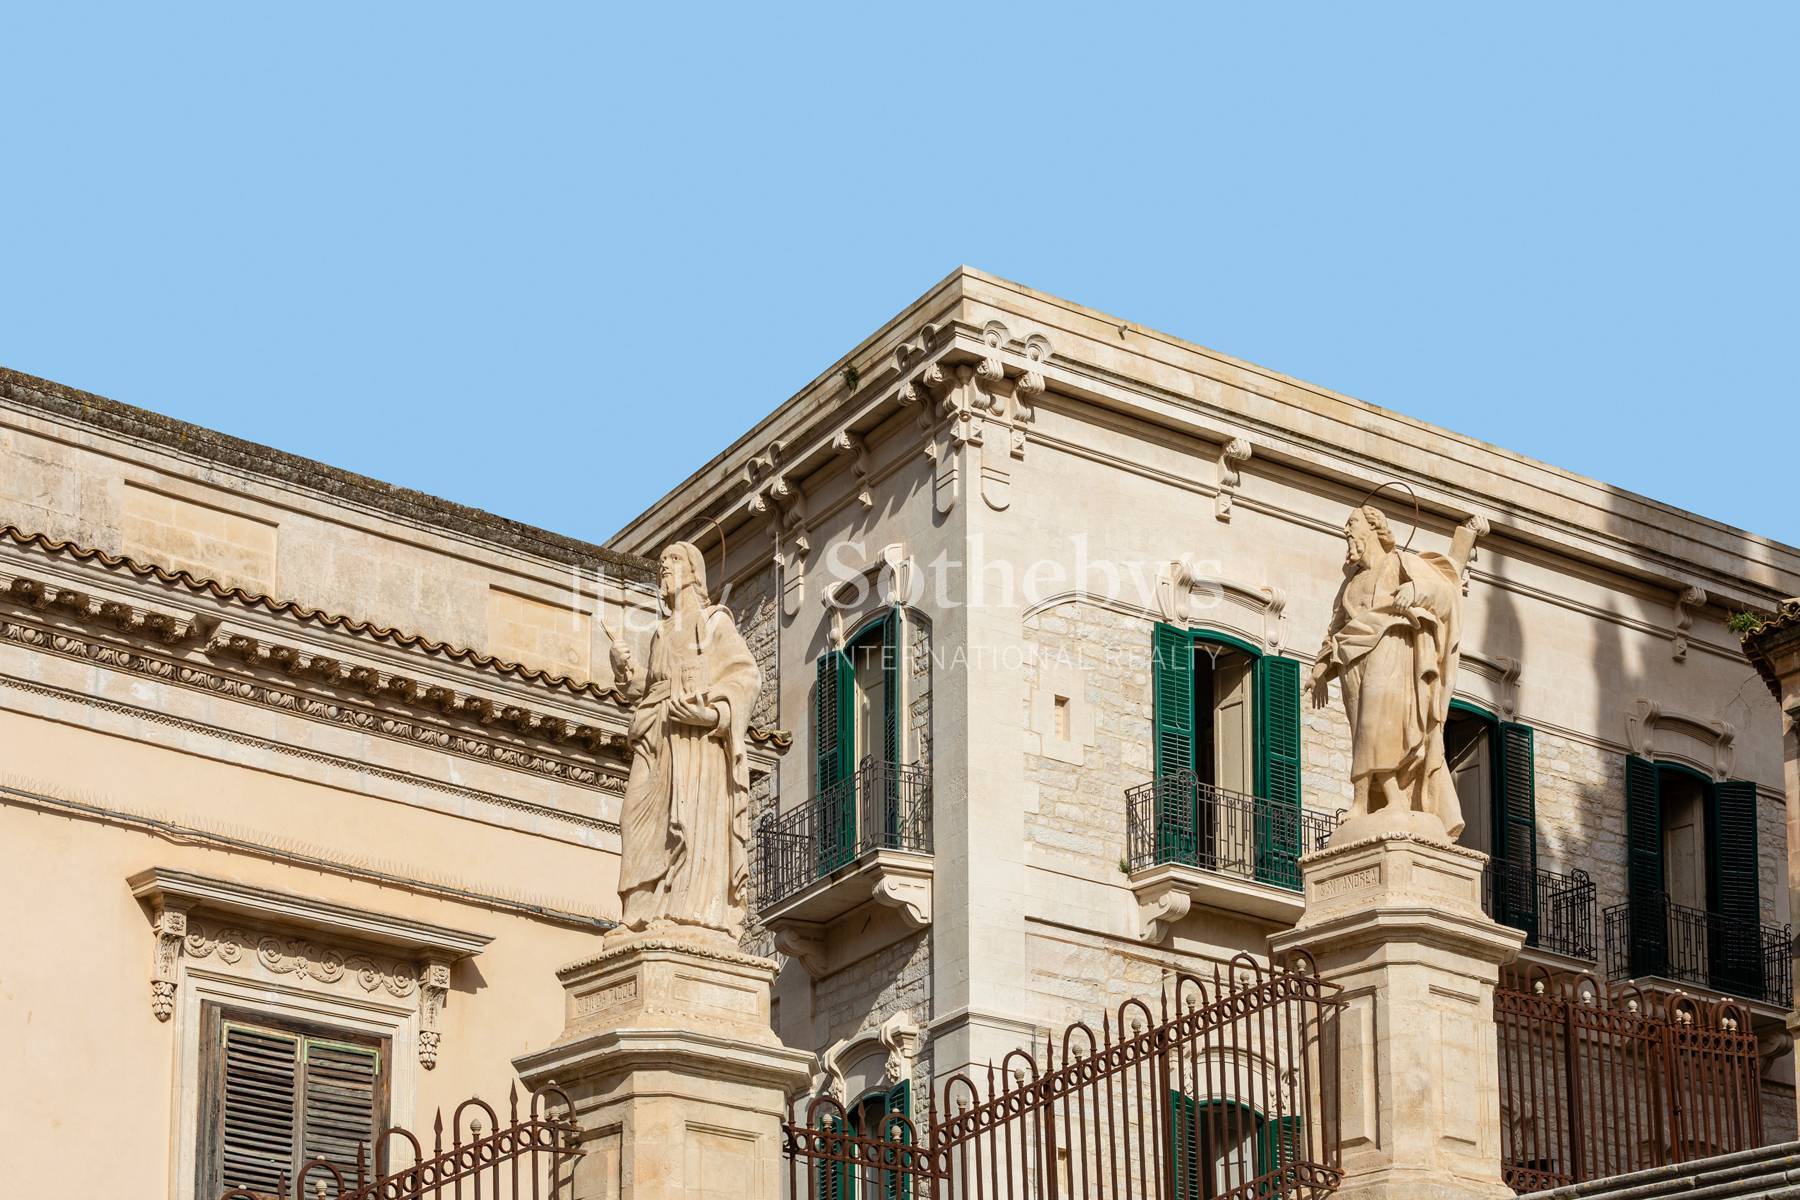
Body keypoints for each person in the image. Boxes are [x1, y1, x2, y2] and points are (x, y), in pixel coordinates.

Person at [609, 541, 760, 938]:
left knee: (686, 820)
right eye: (661, 562)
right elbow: (653, 684)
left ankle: (685, 908)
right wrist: (628, 672)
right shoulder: (661, 632)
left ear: (694, 571)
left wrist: (711, 714)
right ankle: (639, 911)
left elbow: (745, 676)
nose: (664, 568)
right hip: (653, 734)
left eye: (673, 560)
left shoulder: (713, 623)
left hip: (694, 740)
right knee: (634, 819)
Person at [1309, 507, 1483, 839]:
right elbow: (1334, 630)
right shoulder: (1350, 584)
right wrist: (1319, 670)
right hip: (1351, 661)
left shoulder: (1401, 564)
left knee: (1379, 724)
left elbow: (1444, 595)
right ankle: (1374, 800)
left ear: (1374, 528)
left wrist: (1414, 592)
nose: (1346, 532)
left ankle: (1370, 800)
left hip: (1392, 647)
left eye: (1352, 525)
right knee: (1363, 727)